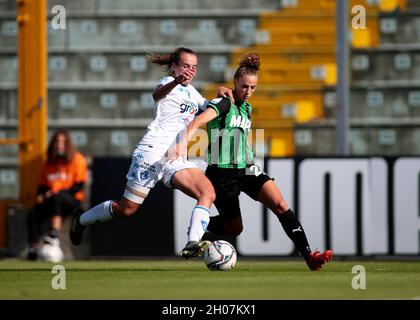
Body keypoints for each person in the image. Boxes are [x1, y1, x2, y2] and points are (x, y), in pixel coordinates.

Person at [172, 53, 333, 271]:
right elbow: (199, 120)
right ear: (235, 82)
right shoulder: (223, 103)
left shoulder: (246, 108)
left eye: (253, 88)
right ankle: (200, 225)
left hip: (247, 169)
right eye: (244, 86)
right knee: (235, 229)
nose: (248, 92)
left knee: (280, 204)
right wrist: (183, 144)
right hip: (222, 174)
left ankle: (310, 257)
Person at [69, 47, 233, 258]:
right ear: (174, 66)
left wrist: (221, 94)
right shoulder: (167, 83)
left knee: (207, 193)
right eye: (185, 66)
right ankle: (81, 219)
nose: (190, 71)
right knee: (126, 209)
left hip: (175, 157)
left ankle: (193, 243)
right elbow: (157, 95)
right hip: (152, 153)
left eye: (194, 67)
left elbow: (211, 108)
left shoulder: (192, 92)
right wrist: (175, 81)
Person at [27, 129, 88, 260]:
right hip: (52, 200)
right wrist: (40, 195)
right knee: (33, 212)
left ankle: (54, 235)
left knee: (56, 197)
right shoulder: (49, 163)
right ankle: (32, 248)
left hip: (71, 200)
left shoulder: (78, 159)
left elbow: (78, 187)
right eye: (57, 141)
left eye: (63, 142)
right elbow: (42, 186)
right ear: (53, 144)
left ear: (68, 144)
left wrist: (57, 192)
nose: (60, 144)